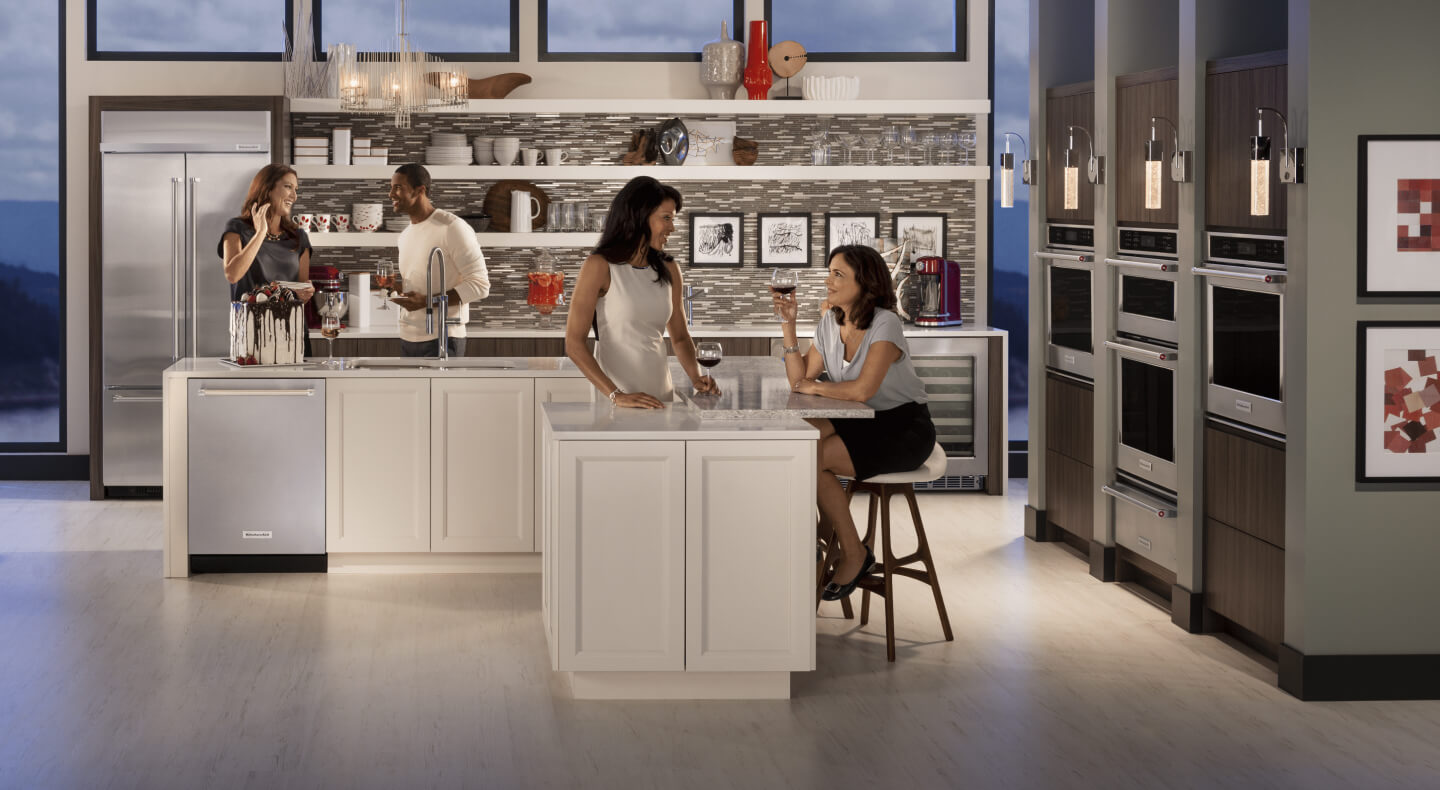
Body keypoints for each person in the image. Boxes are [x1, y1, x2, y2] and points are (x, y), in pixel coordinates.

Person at [772, 244, 937, 601]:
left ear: (865, 283)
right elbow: (799, 378)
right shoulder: (830, 323)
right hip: (860, 421)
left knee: (812, 456)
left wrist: (816, 387)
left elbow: (862, 390)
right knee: (804, 441)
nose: (828, 281)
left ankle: (843, 547)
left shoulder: (885, 323)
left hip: (902, 429)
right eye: (829, 272)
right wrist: (788, 324)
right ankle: (828, 537)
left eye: (838, 274)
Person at [565, 176, 719, 407]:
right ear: (639, 217)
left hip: (660, 395)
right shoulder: (599, 266)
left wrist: (696, 376)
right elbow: (574, 343)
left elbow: (679, 337)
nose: (672, 227)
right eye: (665, 218)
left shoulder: (669, 268)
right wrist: (616, 395)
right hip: (616, 397)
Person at [386, 164, 491, 357]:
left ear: (420, 190)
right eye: (391, 187)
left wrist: (426, 302)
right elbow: (422, 286)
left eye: (398, 187)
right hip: (408, 336)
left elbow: (480, 286)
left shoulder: (452, 228)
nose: (391, 194)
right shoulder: (405, 235)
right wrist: (399, 289)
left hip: (443, 337)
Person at [219, 164, 315, 353]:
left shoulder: (298, 237)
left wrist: (306, 293)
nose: (294, 197)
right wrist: (260, 232)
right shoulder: (237, 228)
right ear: (267, 188)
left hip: (292, 333)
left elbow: (301, 291)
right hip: (251, 334)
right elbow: (233, 274)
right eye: (288, 187)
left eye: (296, 190)